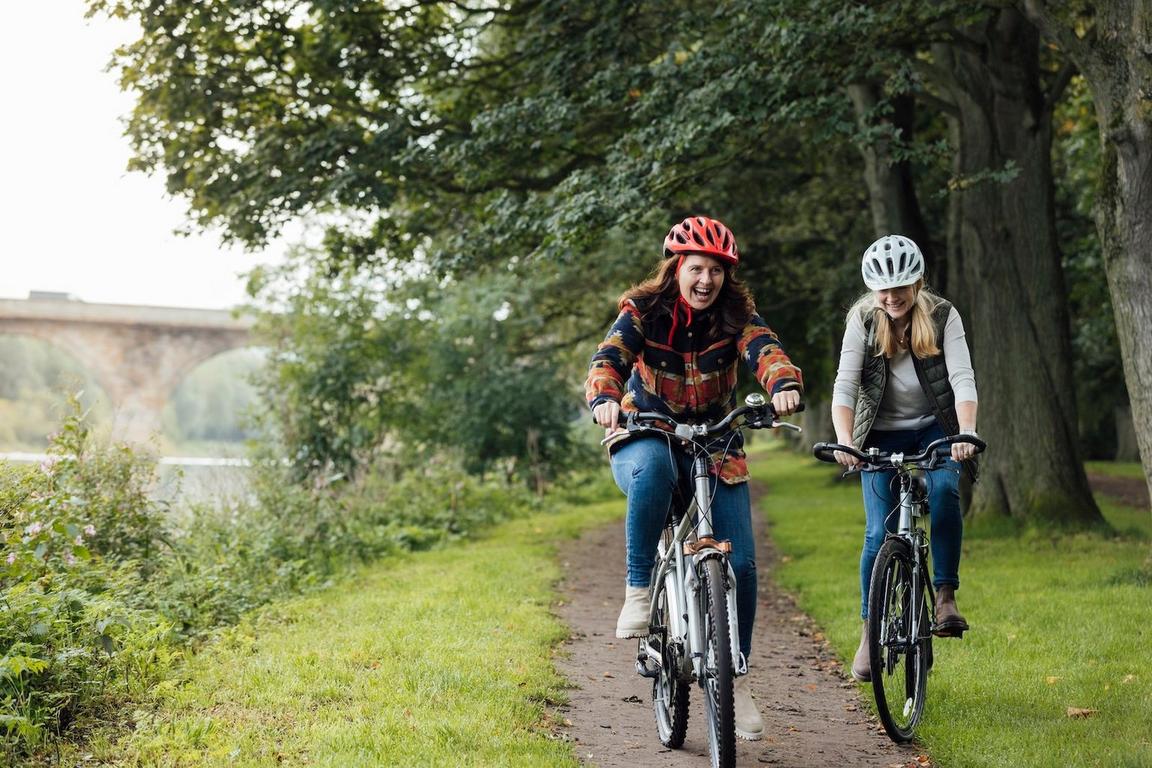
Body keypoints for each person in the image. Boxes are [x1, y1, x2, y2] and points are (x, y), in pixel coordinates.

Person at [584, 215, 803, 741]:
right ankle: (640, 590)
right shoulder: (643, 311)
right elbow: (608, 360)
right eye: (697, 268)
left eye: (716, 271)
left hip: (715, 441)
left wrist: (783, 383)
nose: (706, 281)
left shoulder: (737, 314)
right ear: (677, 268)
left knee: (744, 564)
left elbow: (765, 350)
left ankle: (736, 675)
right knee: (655, 468)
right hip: (646, 430)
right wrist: (605, 399)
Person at [830, 234, 979, 683]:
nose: (892, 297)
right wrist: (844, 440)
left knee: (944, 488)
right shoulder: (862, 318)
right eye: (883, 289)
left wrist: (966, 431)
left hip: (936, 427)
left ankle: (945, 595)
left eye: (900, 287)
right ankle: (867, 633)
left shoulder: (942, 315)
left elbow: (962, 377)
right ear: (872, 288)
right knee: (877, 531)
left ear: (917, 282)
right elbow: (845, 385)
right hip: (878, 431)